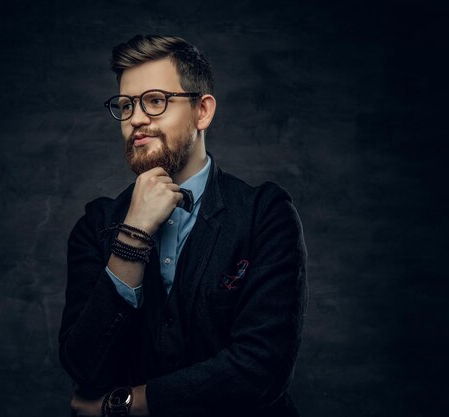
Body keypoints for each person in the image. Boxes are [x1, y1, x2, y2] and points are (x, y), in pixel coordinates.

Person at [58, 35, 307, 417]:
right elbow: (84, 365)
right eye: (125, 106)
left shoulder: (265, 214)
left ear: (202, 111)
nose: (136, 118)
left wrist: (124, 406)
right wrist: (134, 234)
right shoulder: (96, 225)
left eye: (155, 101)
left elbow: (261, 369)